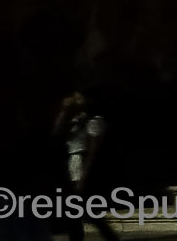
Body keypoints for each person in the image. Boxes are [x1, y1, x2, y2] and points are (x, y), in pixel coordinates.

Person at [54, 91, 118, 241]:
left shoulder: (93, 121)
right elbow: (55, 136)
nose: (74, 99)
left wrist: (84, 178)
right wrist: (64, 113)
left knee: (85, 211)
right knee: (76, 212)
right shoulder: (72, 122)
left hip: (82, 168)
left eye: (79, 97)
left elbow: (93, 151)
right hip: (70, 168)